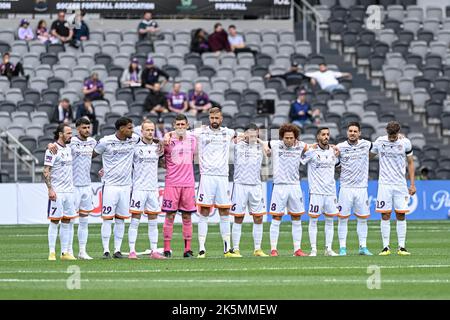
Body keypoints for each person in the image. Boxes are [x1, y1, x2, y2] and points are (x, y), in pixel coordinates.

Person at [92, 117, 139, 259]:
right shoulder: (106, 141)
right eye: (129, 128)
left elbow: (150, 139)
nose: (132, 130)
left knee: (120, 219)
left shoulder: (134, 139)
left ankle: (117, 250)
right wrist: (103, 168)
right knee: (107, 218)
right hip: (110, 186)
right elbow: (91, 155)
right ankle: (106, 250)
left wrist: (160, 142)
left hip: (126, 186)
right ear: (121, 129)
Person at [370, 121, 416, 256]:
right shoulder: (380, 142)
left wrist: (412, 184)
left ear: (398, 132)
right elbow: (370, 156)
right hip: (384, 184)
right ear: (386, 131)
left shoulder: (405, 142)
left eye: (394, 136)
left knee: (401, 214)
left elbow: (411, 163)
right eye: (390, 135)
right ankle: (385, 247)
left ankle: (402, 247)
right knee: (385, 214)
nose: (392, 138)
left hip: (400, 184)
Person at [265, 124, 308, 257]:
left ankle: (297, 249)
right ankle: (273, 249)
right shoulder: (276, 144)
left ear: (295, 138)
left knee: (296, 216)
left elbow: (312, 147)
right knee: (276, 217)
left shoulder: (300, 145)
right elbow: (263, 142)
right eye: (286, 138)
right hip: (279, 186)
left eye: (291, 138)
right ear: (282, 137)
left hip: (294, 185)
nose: (289, 140)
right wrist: (265, 148)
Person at [128, 120, 165, 260]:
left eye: (152, 130)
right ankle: (132, 251)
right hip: (139, 188)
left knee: (153, 219)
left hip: (152, 189)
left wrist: (160, 140)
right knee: (135, 219)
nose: (150, 132)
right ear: (142, 131)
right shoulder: (135, 147)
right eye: (147, 130)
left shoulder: (158, 147)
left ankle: (154, 251)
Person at [230, 123, 269, 257]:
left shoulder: (260, 145)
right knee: (238, 218)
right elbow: (229, 140)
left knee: (258, 217)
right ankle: (235, 249)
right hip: (240, 184)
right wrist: (242, 136)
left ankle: (257, 249)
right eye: (250, 133)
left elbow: (269, 150)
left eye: (255, 134)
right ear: (245, 133)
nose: (253, 136)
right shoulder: (237, 145)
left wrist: (259, 140)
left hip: (255, 185)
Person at [161, 114, 197, 258]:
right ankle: (167, 249)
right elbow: (159, 158)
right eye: (178, 125)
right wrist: (167, 135)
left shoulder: (193, 139)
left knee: (187, 216)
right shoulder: (167, 141)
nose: (181, 127)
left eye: (183, 124)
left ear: (187, 125)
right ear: (174, 126)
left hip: (188, 184)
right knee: (170, 215)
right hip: (172, 183)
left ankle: (187, 249)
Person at [335, 122, 373, 256]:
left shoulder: (366, 144)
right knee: (343, 219)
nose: (352, 133)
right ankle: (342, 248)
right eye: (350, 131)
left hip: (362, 188)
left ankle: (363, 246)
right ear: (347, 133)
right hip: (345, 188)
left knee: (362, 219)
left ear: (359, 133)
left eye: (355, 131)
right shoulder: (340, 147)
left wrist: (400, 137)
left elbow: (380, 145)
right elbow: (333, 161)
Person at [301, 127, 340, 257]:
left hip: (330, 192)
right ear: (318, 137)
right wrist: (307, 148)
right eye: (323, 134)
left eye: (328, 134)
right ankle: (313, 250)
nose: (326, 137)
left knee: (330, 221)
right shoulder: (312, 152)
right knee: (313, 221)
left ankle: (328, 249)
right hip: (316, 192)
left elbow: (338, 166)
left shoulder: (334, 152)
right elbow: (300, 160)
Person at [43, 123, 77, 261]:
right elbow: (46, 171)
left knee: (67, 221)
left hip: (69, 191)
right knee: (54, 221)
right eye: (68, 133)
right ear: (60, 134)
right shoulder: (52, 150)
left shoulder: (69, 148)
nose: (71, 135)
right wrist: (50, 189)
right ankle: (52, 252)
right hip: (57, 191)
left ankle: (64, 253)